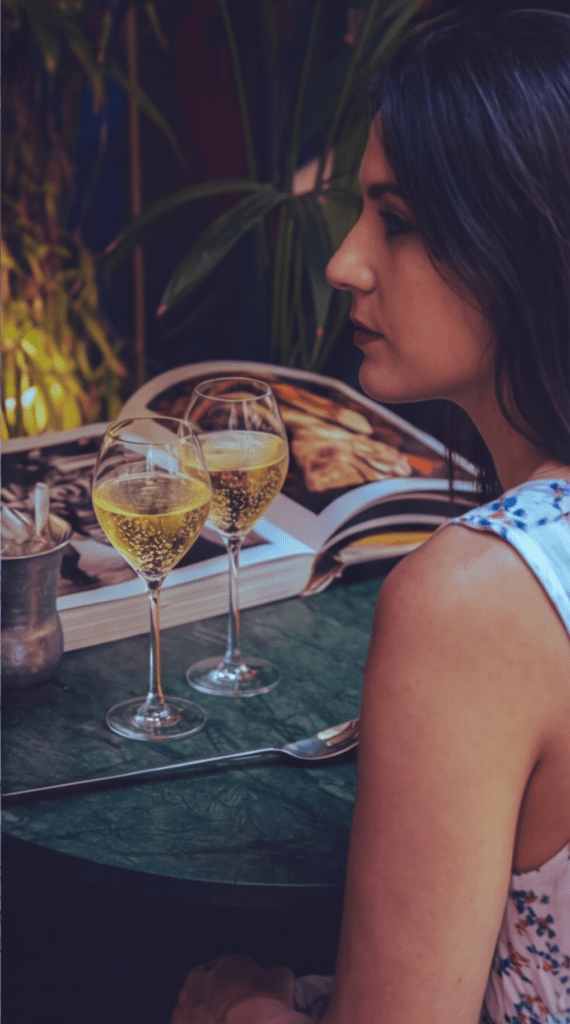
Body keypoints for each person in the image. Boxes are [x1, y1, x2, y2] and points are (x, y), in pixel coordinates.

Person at [170, 3, 570, 1021]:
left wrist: (237, 1009)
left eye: (397, 220)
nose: (347, 260)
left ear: (525, 237)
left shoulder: (478, 599)